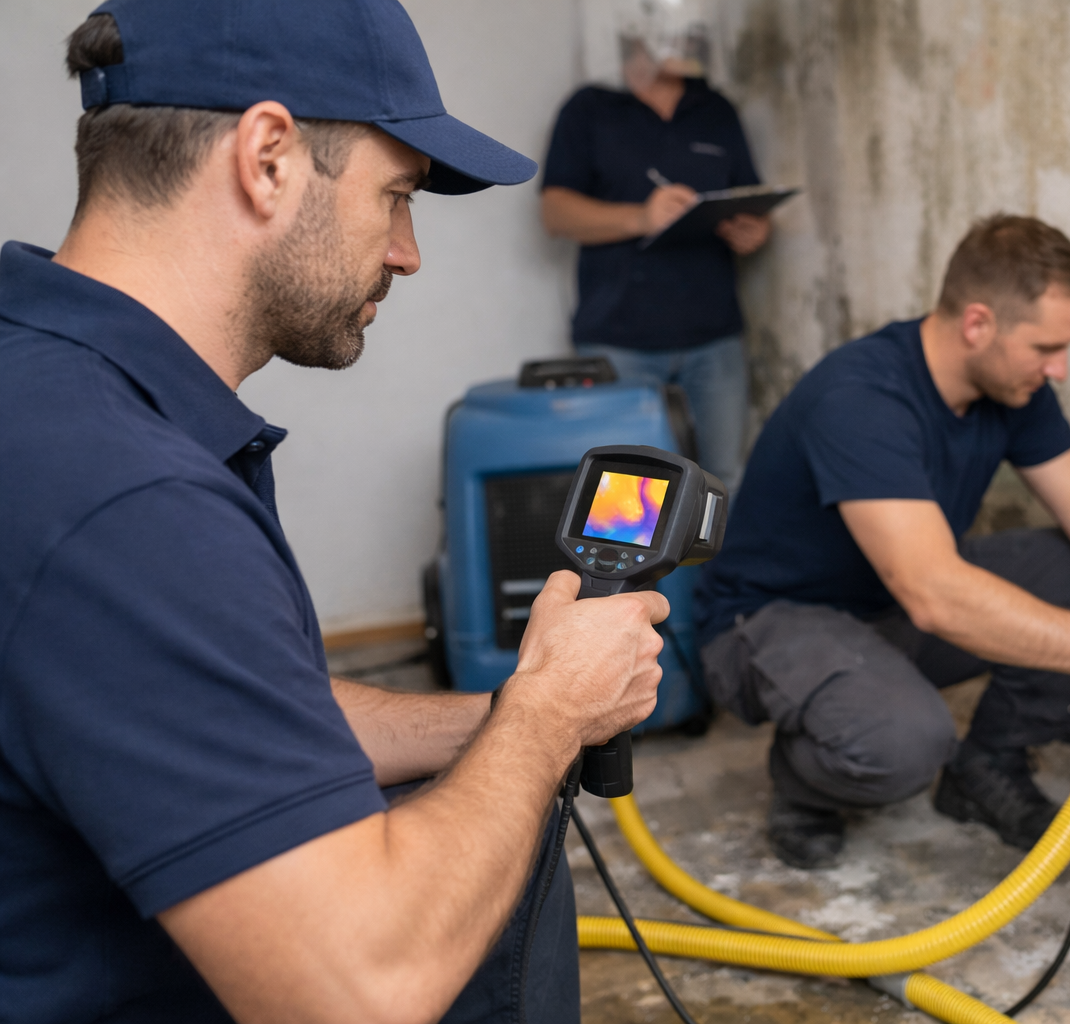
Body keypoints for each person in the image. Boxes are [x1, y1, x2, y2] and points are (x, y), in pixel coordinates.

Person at [0, 4, 671, 1023]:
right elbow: (359, 989)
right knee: (485, 846)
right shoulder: (126, 499)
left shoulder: (43, 375)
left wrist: (504, 718)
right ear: (267, 155)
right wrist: (544, 719)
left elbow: (231, 705)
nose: (408, 252)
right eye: (395, 194)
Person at [694, 215, 1070, 869]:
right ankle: (805, 780)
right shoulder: (860, 397)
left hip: (884, 603)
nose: (1058, 369)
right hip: (770, 622)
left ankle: (986, 769)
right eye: (1045, 348)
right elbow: (933, 594)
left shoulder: (1011, 386)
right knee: (905, 740)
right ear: (978, 324)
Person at [540, 0, 768, 493]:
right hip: (619, 339)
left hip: (715, 338)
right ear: (635, 29)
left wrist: (752, 230)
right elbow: (555, 212)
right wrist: (640, 216)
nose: (687, 40)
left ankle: (717, 575)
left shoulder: (717, 109)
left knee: (722, 482)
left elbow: (749, 201)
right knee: (628, 491)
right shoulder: (589, 108)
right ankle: (636, 577)